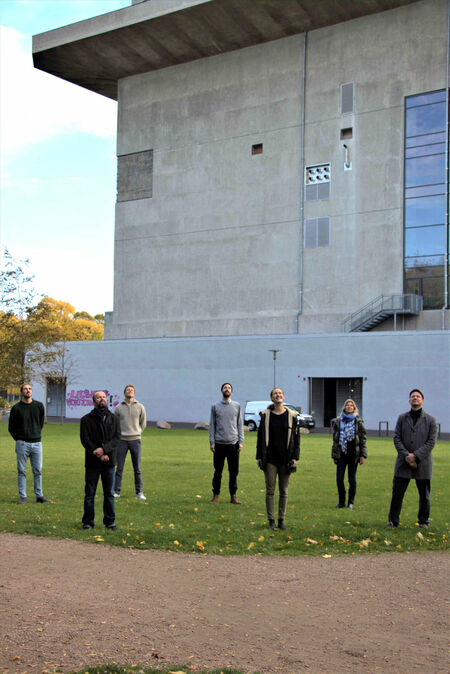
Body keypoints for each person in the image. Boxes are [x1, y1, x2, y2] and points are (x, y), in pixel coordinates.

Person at [385, 389, 437, 529]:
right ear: (409, 401)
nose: (415, 398)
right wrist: (407, 455)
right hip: (403, 461)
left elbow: (431, 442)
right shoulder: (402, 418)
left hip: (423, 462)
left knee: (424, 495)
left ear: (422, 401)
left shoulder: (430, 420)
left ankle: (423, 522)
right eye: (412, 396)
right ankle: (393, 521)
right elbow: (396, 438)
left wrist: (416, 456)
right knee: (397, 493)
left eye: (418, 396)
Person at [256, 388, 300, 530]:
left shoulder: (291, 416)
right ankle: (271, 520)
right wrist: (259, 456)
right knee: (270, 490)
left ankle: (281, 520)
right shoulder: (266, 415)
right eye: (275, 393)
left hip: (286, 458)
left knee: (284, 490)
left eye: (280, 393)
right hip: (270, 459)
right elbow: (260, 438)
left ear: (283, 397)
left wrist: (295, 457)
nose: (278, 395)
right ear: (272, 398)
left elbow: (296, 438)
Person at [80, 390, 121, 530]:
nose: (102, 399)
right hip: (92, 462)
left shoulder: (114, 419)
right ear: (94, 401)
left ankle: (110, 522)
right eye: (99, 397)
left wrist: (104, 450)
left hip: (109, 462)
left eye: (104, 397)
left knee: (109, 493)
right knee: (90, 494)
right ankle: (88, 522)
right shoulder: (86, 419)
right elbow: (85, 439)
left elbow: (116, 438)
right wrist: (98, 453)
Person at [8, 384, 50, 504]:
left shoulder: (38, 406)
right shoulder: (16, 408)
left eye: (30, 389)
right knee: (21, 470)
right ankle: (23, 496)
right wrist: (19, 439)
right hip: (22, 444)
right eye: (25, 389)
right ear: (21, 392)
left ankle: (39, 495)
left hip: (36, 443)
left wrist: (35, 433)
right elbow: (11, 427)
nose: (28, 391)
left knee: (38, 470)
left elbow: (40, 423)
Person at [209, 382, 244, 504]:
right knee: (217, 471)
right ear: (221, 391)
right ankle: (216, 495)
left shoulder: (237, 406)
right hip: (219, 444)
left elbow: (240, 424)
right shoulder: (215, 406)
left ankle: (233, 496)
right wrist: (212, 442)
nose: (227, 389)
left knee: (233, 472)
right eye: (225, 388)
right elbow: (212, 425)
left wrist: (241, 441)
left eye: (229, 388)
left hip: (233, 444)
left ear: (231, 391)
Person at [331, 399, 367, 510]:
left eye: (351, 405)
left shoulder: (358, 421)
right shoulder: (338, 421)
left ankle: (350, 502)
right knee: (339, 479)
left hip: (353, 454)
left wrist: (363, 455)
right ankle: (341, 502)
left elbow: (362, 439)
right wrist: (334, 454)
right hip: (341, 453)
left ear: (354, 408)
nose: (349, 407)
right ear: (344, 407)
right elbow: (335, 439)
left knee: (352, 479)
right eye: (347, 405)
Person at [113, 384, 147, 500]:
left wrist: (137, 432)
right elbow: (114, 424)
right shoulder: (118, 408)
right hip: (122, 441)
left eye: (132, 390)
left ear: (134, 393)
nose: (130, 391)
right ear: (124, 393)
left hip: (135, 440)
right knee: (119, 467)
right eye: (128, 390)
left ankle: (139, 492)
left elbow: (143, 423)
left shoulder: (140, 407)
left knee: (137, 468)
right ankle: (116, 491)